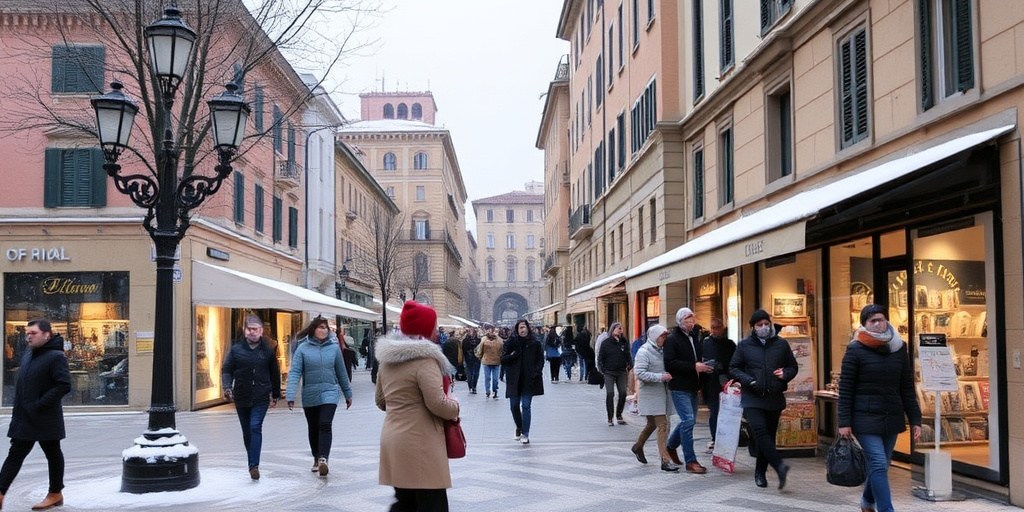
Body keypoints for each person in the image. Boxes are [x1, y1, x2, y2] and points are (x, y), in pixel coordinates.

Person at [375, 301, 460, 511]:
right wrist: (455, 407)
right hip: (420, 443)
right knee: (432, 504)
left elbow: (380, 400)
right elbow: (437, 404)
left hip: (393, 439)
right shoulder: (425, 360)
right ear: (424, 329)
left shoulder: (387, 361)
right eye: (433, 325)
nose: (436, 330)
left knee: (405, 502)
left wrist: (403, 405)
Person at [838, 304, 922, 512]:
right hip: (864, 418)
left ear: (887, 321)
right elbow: (846, 388)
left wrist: (916, 419)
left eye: (881, 319)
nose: (877, 324)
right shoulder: (855, 349)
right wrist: (844, 422)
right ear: (864, 325)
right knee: (877, 463)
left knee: (882, 465)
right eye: (872, 321)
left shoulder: (898, 348)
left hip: (891, 416)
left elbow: (906, 386)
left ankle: (867, 502)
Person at [0, 318, 71, 511]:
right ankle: (53, 493)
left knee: (51, 453)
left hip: (44, 416)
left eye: (33, 333)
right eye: (27, 333)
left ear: (47, 335)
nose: (28, 337)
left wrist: (40, 405)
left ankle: (55, 493)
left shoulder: (56, 356)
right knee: (18, 453)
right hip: (25, 416)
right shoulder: (29, 354)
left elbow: (64, 385)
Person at [729, 308, 798, 489]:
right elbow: (734, 368)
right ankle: (779, 466)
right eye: (760, 325)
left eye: (766, 324)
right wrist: (748, 381)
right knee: (759, 431)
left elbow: (792, 367)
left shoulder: (781, 344)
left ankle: (760, 472)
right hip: (752, 396)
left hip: (774, 396)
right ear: (753, 327)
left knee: (768, 437)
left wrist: (785, 374)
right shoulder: (744, 345)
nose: (764, 327)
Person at [287, 317, 353, 477]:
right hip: (310, 393)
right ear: (313, 329)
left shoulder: (334, 348)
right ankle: (316, 457)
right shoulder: (303, 348)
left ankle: (324, 458)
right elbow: (295, 372)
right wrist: (290, 394)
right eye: (320, 327)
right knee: (313, 427)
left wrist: (347, 393)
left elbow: (341, 371)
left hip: (330, 391)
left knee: (325, 424)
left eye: (325, 328)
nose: (324, 330)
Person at [221, 314, 281, 480]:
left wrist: (275, 394)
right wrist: (227, 387)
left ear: (261, 331)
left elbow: (274, 373)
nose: (253, 332)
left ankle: (253, 465)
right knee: (247, 432)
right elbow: (226, 370)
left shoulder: (268, 351)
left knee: (255, 427)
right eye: (250, 329)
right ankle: (252, 459)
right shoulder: (236, 350)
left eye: (256, 329)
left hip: (261, 396)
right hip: (241, 396)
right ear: (245, 331)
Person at [663, 307, 713, 474]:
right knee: (689, 421)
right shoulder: (672, 339)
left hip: (692, 385)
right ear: (679, 321)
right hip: (679, 386)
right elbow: (669, 363)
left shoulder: (694, 337)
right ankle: (690, 461)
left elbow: (697, 359)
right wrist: (694, 366)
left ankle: (670, 446)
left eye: (692, 320)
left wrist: (703, 369)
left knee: (687, 421)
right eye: (687, 320)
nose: (691, 323)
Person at [631, 324, 678, 472]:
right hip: (651, 394)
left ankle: (638, 446)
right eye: (662, 336)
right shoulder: (644, 351)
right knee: (663, 425)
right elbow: (639, 373)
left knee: (651, 424)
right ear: (654, 337)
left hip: (662, 393)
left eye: (665, 336)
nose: (665, 339)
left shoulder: (663, 350)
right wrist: (661, 377)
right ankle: (665, 460)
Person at [501, 319, 545, 444]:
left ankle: (525, 433)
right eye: (520, 327)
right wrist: (513, 355)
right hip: (514, 379)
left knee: (526, 406)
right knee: (514, 406)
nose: (523, 330)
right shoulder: (511, 342)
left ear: (528, 328)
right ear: (517, 329)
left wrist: (535, 372)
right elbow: (502, 359)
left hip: (528, 379)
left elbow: (540, 360)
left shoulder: (535, 342)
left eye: (524, 327)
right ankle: (519, 427)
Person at [701, 317, 736, 454]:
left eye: (718, 328)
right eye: (714, 328)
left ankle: (727, 438)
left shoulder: (730, 344)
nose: (716, 331)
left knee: (728, 411)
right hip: (711, 382)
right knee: (714, 411)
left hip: (727, 381)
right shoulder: (705, 343)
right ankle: (715, 438)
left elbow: (734, 362)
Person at [597, 322, 631, 426]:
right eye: (617, 328)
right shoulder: (606, 342)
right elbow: (600, 357)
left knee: (623, 393)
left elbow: (628, 355)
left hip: (621, 371)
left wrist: (629, 365)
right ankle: (610, 417)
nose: (620, 330)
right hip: (609, 372)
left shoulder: (624, 342)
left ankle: (619, 414)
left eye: (621, 328)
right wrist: (603, 370)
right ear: (612, 330)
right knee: (610, 393)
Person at [475, 324, 504, 399]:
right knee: (487, 377)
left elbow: (502, 350)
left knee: (495, 379)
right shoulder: (484, 339)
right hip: (487, 361)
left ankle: (494, 391)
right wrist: (480, 356)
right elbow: (480, 349)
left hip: (496, 361)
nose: (492, 332)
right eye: (490, 330)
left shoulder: (499, 340)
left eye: (493, 330)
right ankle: (487, 391)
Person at [461, 328, 482, 394]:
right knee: (472, 373)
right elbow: (463, 351)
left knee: (474, 373)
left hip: (473, 359)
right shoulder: (466, 340)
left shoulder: (479, 340)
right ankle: (472, 387)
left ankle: (472, 387)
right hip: (471, 359)